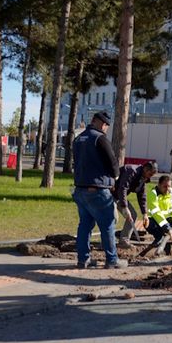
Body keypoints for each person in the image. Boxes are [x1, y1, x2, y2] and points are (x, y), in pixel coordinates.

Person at [72, 111, 127, 269]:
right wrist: (116, 177)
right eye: (104, 124)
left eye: (107, 125)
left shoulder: (78, 139)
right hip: (97, 189)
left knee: (85, 225)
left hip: (80, 189)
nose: (105, 128)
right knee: (108, 224)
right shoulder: (100, 138)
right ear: (95, 121)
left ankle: (83, 260)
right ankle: (112, 260)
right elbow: (112, 162)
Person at [114, 160, 158, 248]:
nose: (150, 177)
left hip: (119, 197)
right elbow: (123, 188)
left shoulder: (143, 178)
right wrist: (125, 207)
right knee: (113, 218)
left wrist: (145, 214)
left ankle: (124, 241)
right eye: (150, 174)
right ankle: (108, 242)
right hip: (110, 194)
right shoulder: (131, 171)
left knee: (133, 215)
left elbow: (142, 195)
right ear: (145, 169)